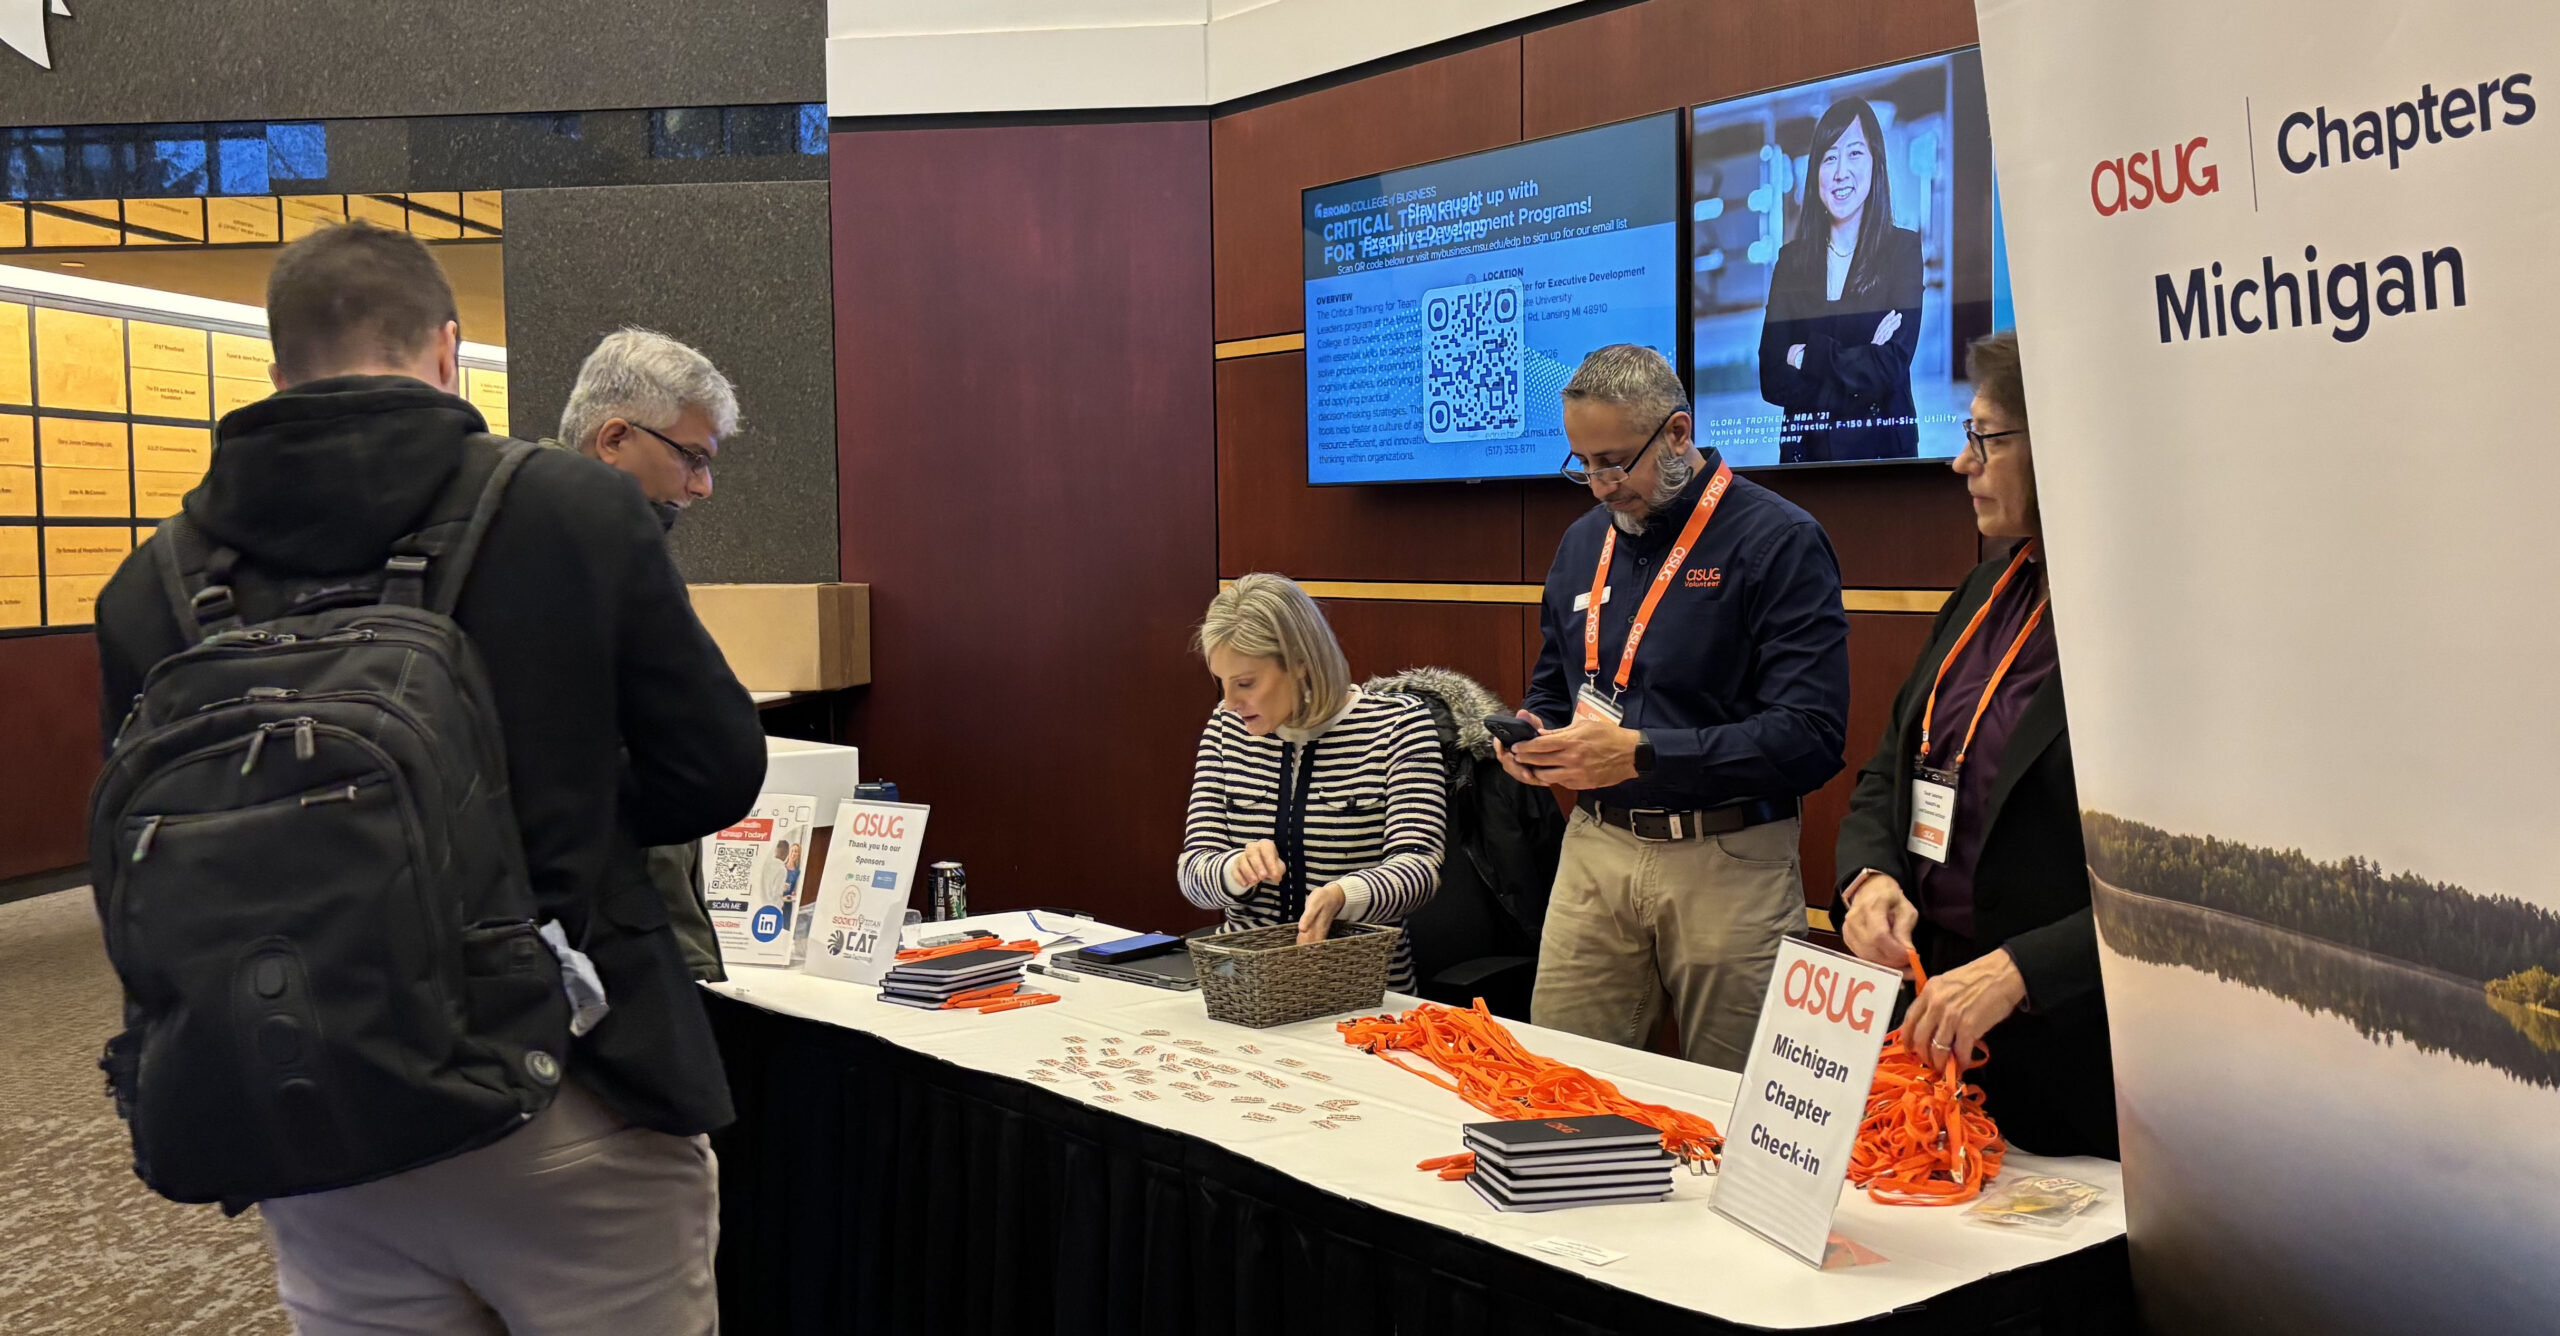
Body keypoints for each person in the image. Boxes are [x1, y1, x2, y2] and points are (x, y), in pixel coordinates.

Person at [90, 221, 766, 1333]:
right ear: (448, 349)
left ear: (277, 368)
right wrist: (559, 818)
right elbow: (714, 767)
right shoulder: (573, 510)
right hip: (576, 1076)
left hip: (309, 1104)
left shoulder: (148, 585)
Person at [1501, 344, 1850, 1072]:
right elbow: (1552, 685)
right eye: (1582, 464)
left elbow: (1812, 737)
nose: (1597, 485)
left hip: (1728, 860)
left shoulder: (1778, 540)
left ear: (1678, 434)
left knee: (1735, 1105)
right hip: (1597, 847)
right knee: (1558, 1088)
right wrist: (1534, 733)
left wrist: (1645, 752)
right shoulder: (1579, 543)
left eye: (1614, 462)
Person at [1832, 330, 2117, 1158]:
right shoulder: (1988, 588)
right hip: (1934, 1012)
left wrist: (2024, 969)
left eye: (1985, 438)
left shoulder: (2149, 620)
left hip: (2067, 1034)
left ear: (2062, 443)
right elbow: (1892, 764)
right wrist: (1871, 876)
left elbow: (2179, 876)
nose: (1962, 464)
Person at [546, 327, 742, 981]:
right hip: (612, 950)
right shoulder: (572, 548)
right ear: (614, 438)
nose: (703, 486)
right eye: (691, 457)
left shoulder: (570, 536)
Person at [1178, 573, 1447, 990]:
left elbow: (1418, 869)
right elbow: (1194, 869)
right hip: (1243, 989)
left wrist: (1344, 895)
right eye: (1222, 683)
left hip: (1362, 989)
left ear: (1301, 661)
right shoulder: (1224, 729)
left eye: (1245, 683)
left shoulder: (1397, 726)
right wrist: (1235, 870)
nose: (1229, 702)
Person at [1756, 96, 1924, 463]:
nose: (1840, 172)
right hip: (1806, 456)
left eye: (1854, 154)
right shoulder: (1791, 261)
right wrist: (1862, 356)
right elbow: (1771, 376)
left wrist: (1806, 355)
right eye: (1829, 157)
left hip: (1883, 460)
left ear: (1876, 163)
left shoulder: (1903, 250)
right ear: (1815, 171)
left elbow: (1891, 366)